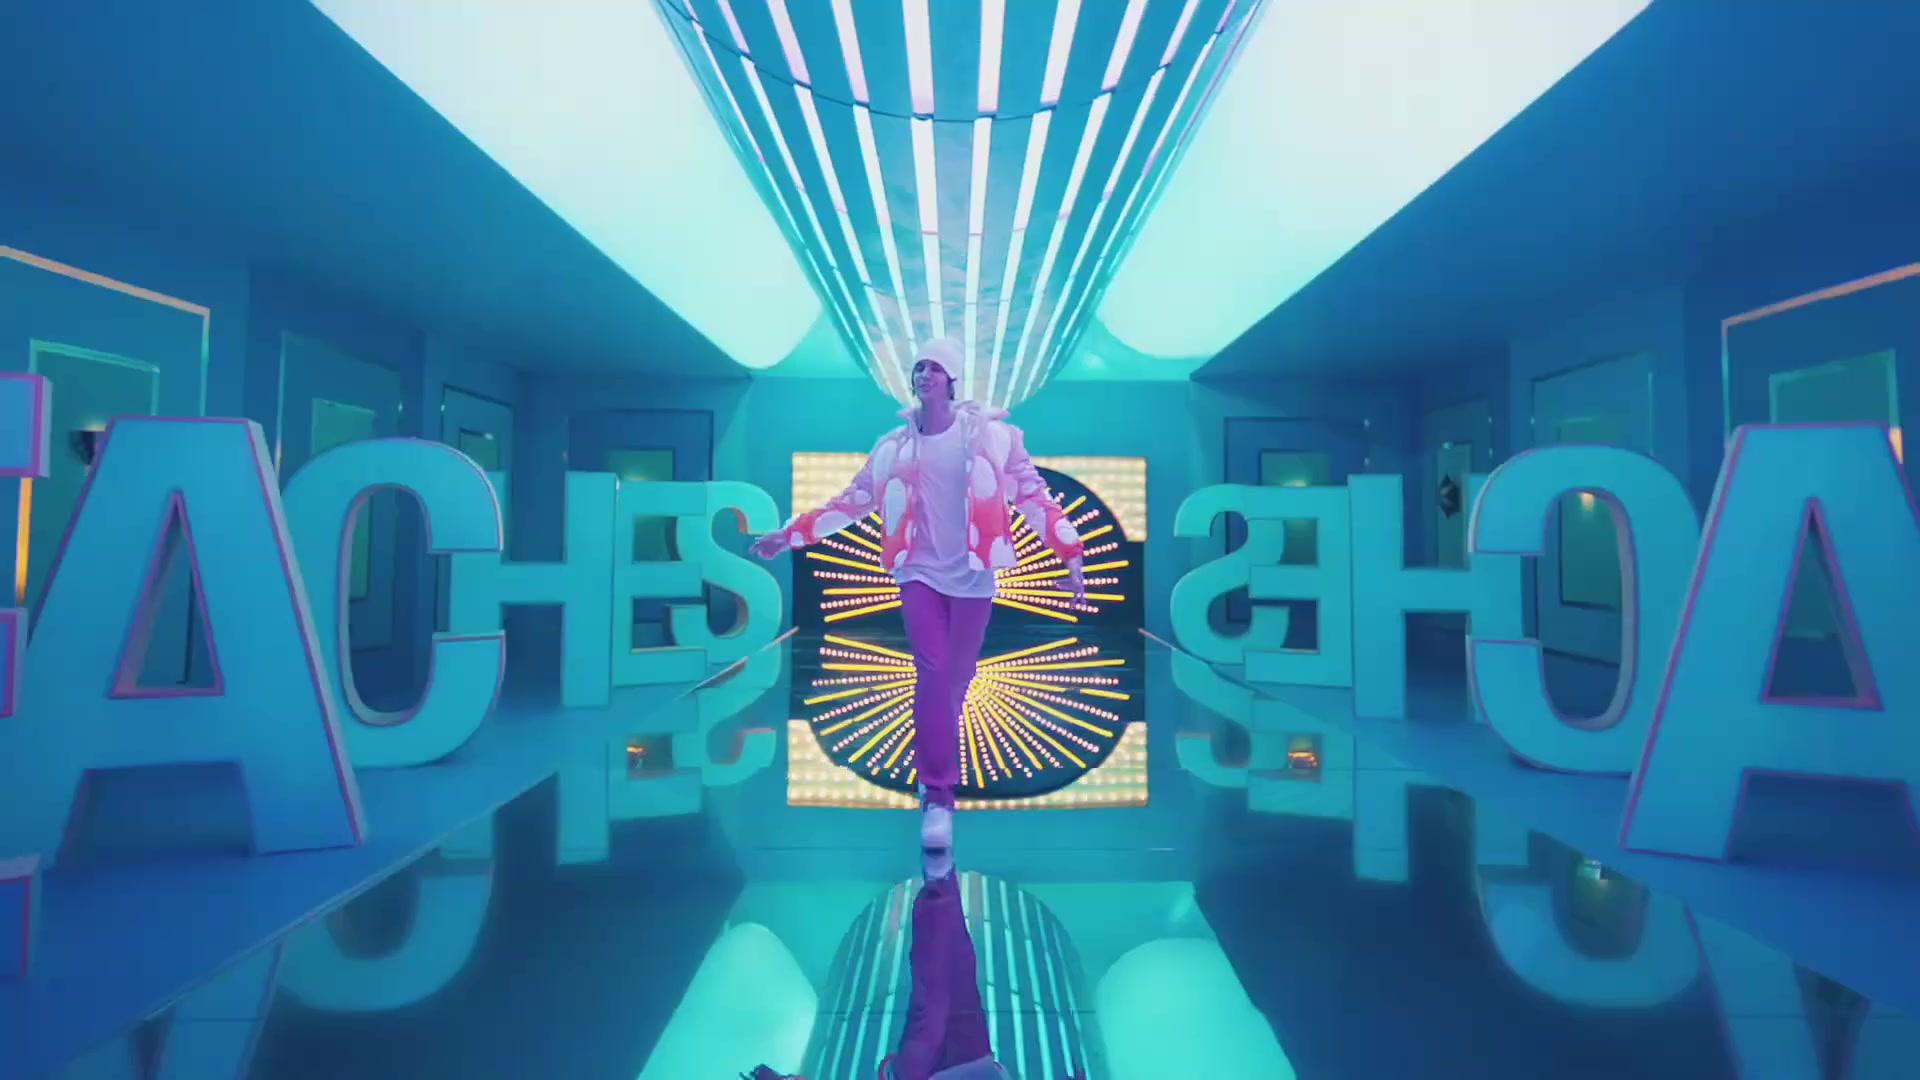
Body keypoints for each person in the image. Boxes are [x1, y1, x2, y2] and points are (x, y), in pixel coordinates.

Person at [753, 339, 1085, 852]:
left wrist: (1070, 553)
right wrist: (790, 534)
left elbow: (1033, 495)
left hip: (974, 575)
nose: (923, 374)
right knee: (931, 671)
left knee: (956, 681)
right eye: (918, 368)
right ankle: (938, 795)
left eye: (933, 367)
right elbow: (853, 501)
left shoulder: (994, 438)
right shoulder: (893, 447)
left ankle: (934, 763)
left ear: (952, 379)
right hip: (918, 572)